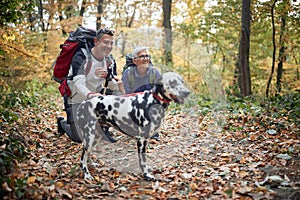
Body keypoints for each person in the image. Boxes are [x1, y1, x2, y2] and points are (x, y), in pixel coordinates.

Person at [57, 28, 123, 143]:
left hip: (95, 95)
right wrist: (90, 94)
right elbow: (78, 83)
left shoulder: (110, 60)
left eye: (111, 43)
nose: (109, 46)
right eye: (105, 42)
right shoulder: (81, 57)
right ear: (96, 41)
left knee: (114, 94)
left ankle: (104, 130)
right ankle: (62, 122)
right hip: (76, 97)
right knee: (78, 137)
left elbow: (112, 85)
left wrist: (109, 78)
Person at [121, 46, 161, 141]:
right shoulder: (128, 74)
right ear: (135, 60)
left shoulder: (154, 73)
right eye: (142, 56)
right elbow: (127, 96)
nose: (146, 59)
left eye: (147, 56)